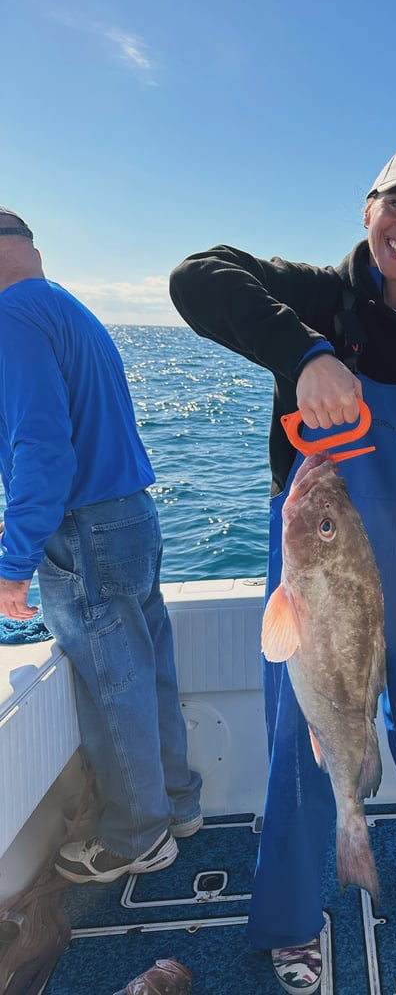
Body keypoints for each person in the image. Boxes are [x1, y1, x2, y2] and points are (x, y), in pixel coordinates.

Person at [169, 150, 396, 994]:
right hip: (323, 565)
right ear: (368, 209)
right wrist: (305, 353)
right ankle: (295, 923)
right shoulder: (313, 297)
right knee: (304, 743)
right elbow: (195, 278)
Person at [0, 207, 202, 883]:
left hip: (83, 531)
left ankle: (137, 837)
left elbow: (43, 449)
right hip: (131, 518)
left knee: (113, 689)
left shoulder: (13, 317)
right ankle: (178, 804)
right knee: (150, 674)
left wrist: (14, 561)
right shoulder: (66, 306)